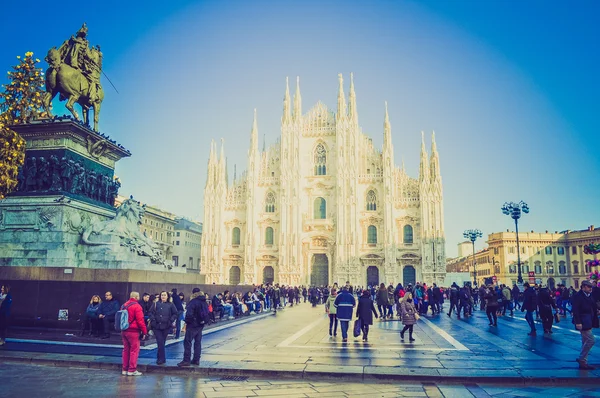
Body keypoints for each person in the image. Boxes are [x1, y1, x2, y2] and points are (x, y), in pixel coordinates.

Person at [178, 288, 210, 367]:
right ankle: (196, 359)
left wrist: (187, 322)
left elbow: (189, 314)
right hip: (200, 325)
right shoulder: (204, 301)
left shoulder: (193, 302)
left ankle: (186, 360)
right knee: (197, 342)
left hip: (192, 325)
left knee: (187, 342)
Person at [572, 280, 599, 370]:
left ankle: (583, 361)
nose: (590, 289)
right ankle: (582, 359)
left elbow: (592, 305)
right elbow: (575, 310)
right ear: (583, 287)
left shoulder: (589, 295)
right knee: (591, 340)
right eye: (588, 287)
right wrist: (578, 322)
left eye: (591, 287)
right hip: (583, 321)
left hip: (589, 320)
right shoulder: (578, 296)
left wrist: (597, 311)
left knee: (585, 341)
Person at [120, 292, 147, 376]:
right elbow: (140, 320)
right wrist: (144, 331)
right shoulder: (137, 306)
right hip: (133, 331)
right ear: (136, 297)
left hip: (124, 330)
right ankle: (132, 370)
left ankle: (124, 369)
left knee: (126, 349)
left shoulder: (124, 305)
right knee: (134, 350)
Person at [149, 291, 178, 365]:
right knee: (160, 342)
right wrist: (153, 320)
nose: (163, 296)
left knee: (162, 342)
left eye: (164, 295)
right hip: (157, 326)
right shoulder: (156, 303)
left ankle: (161, 358)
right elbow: (150, 312)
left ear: (167, 296)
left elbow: (175, 313)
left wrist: (170, 320)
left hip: (166, 326)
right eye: (162, 295)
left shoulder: (171, 304)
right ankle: (161, 359)